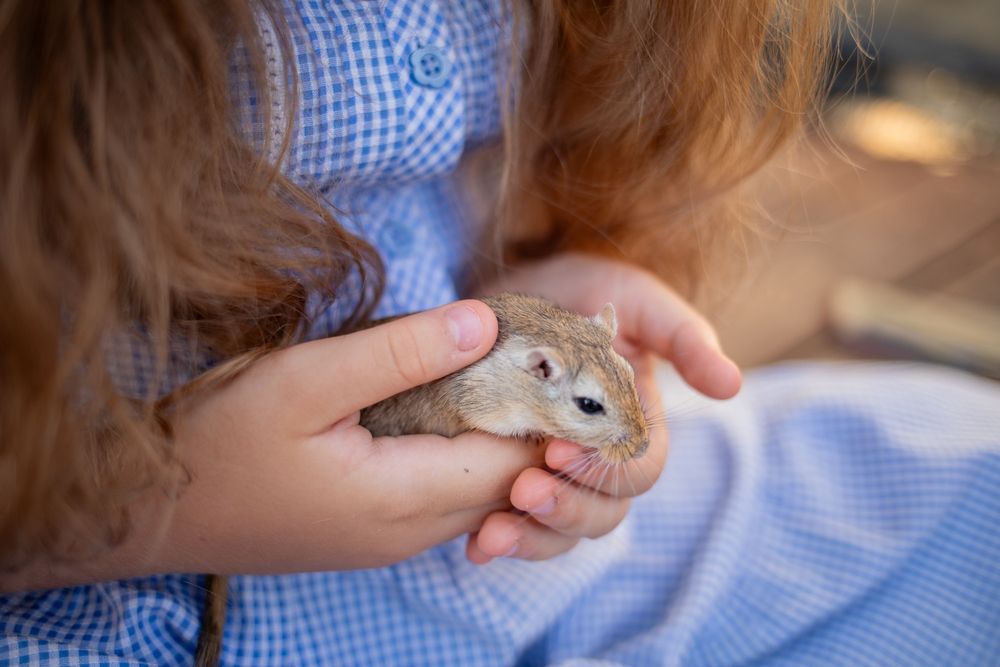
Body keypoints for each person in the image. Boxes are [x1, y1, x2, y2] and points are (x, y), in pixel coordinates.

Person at [1, 1, 997, 665]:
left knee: (969, 476)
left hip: (512, 597)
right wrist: (156, 505)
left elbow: (449, 186)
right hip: (121, 623)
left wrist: (520, 271)